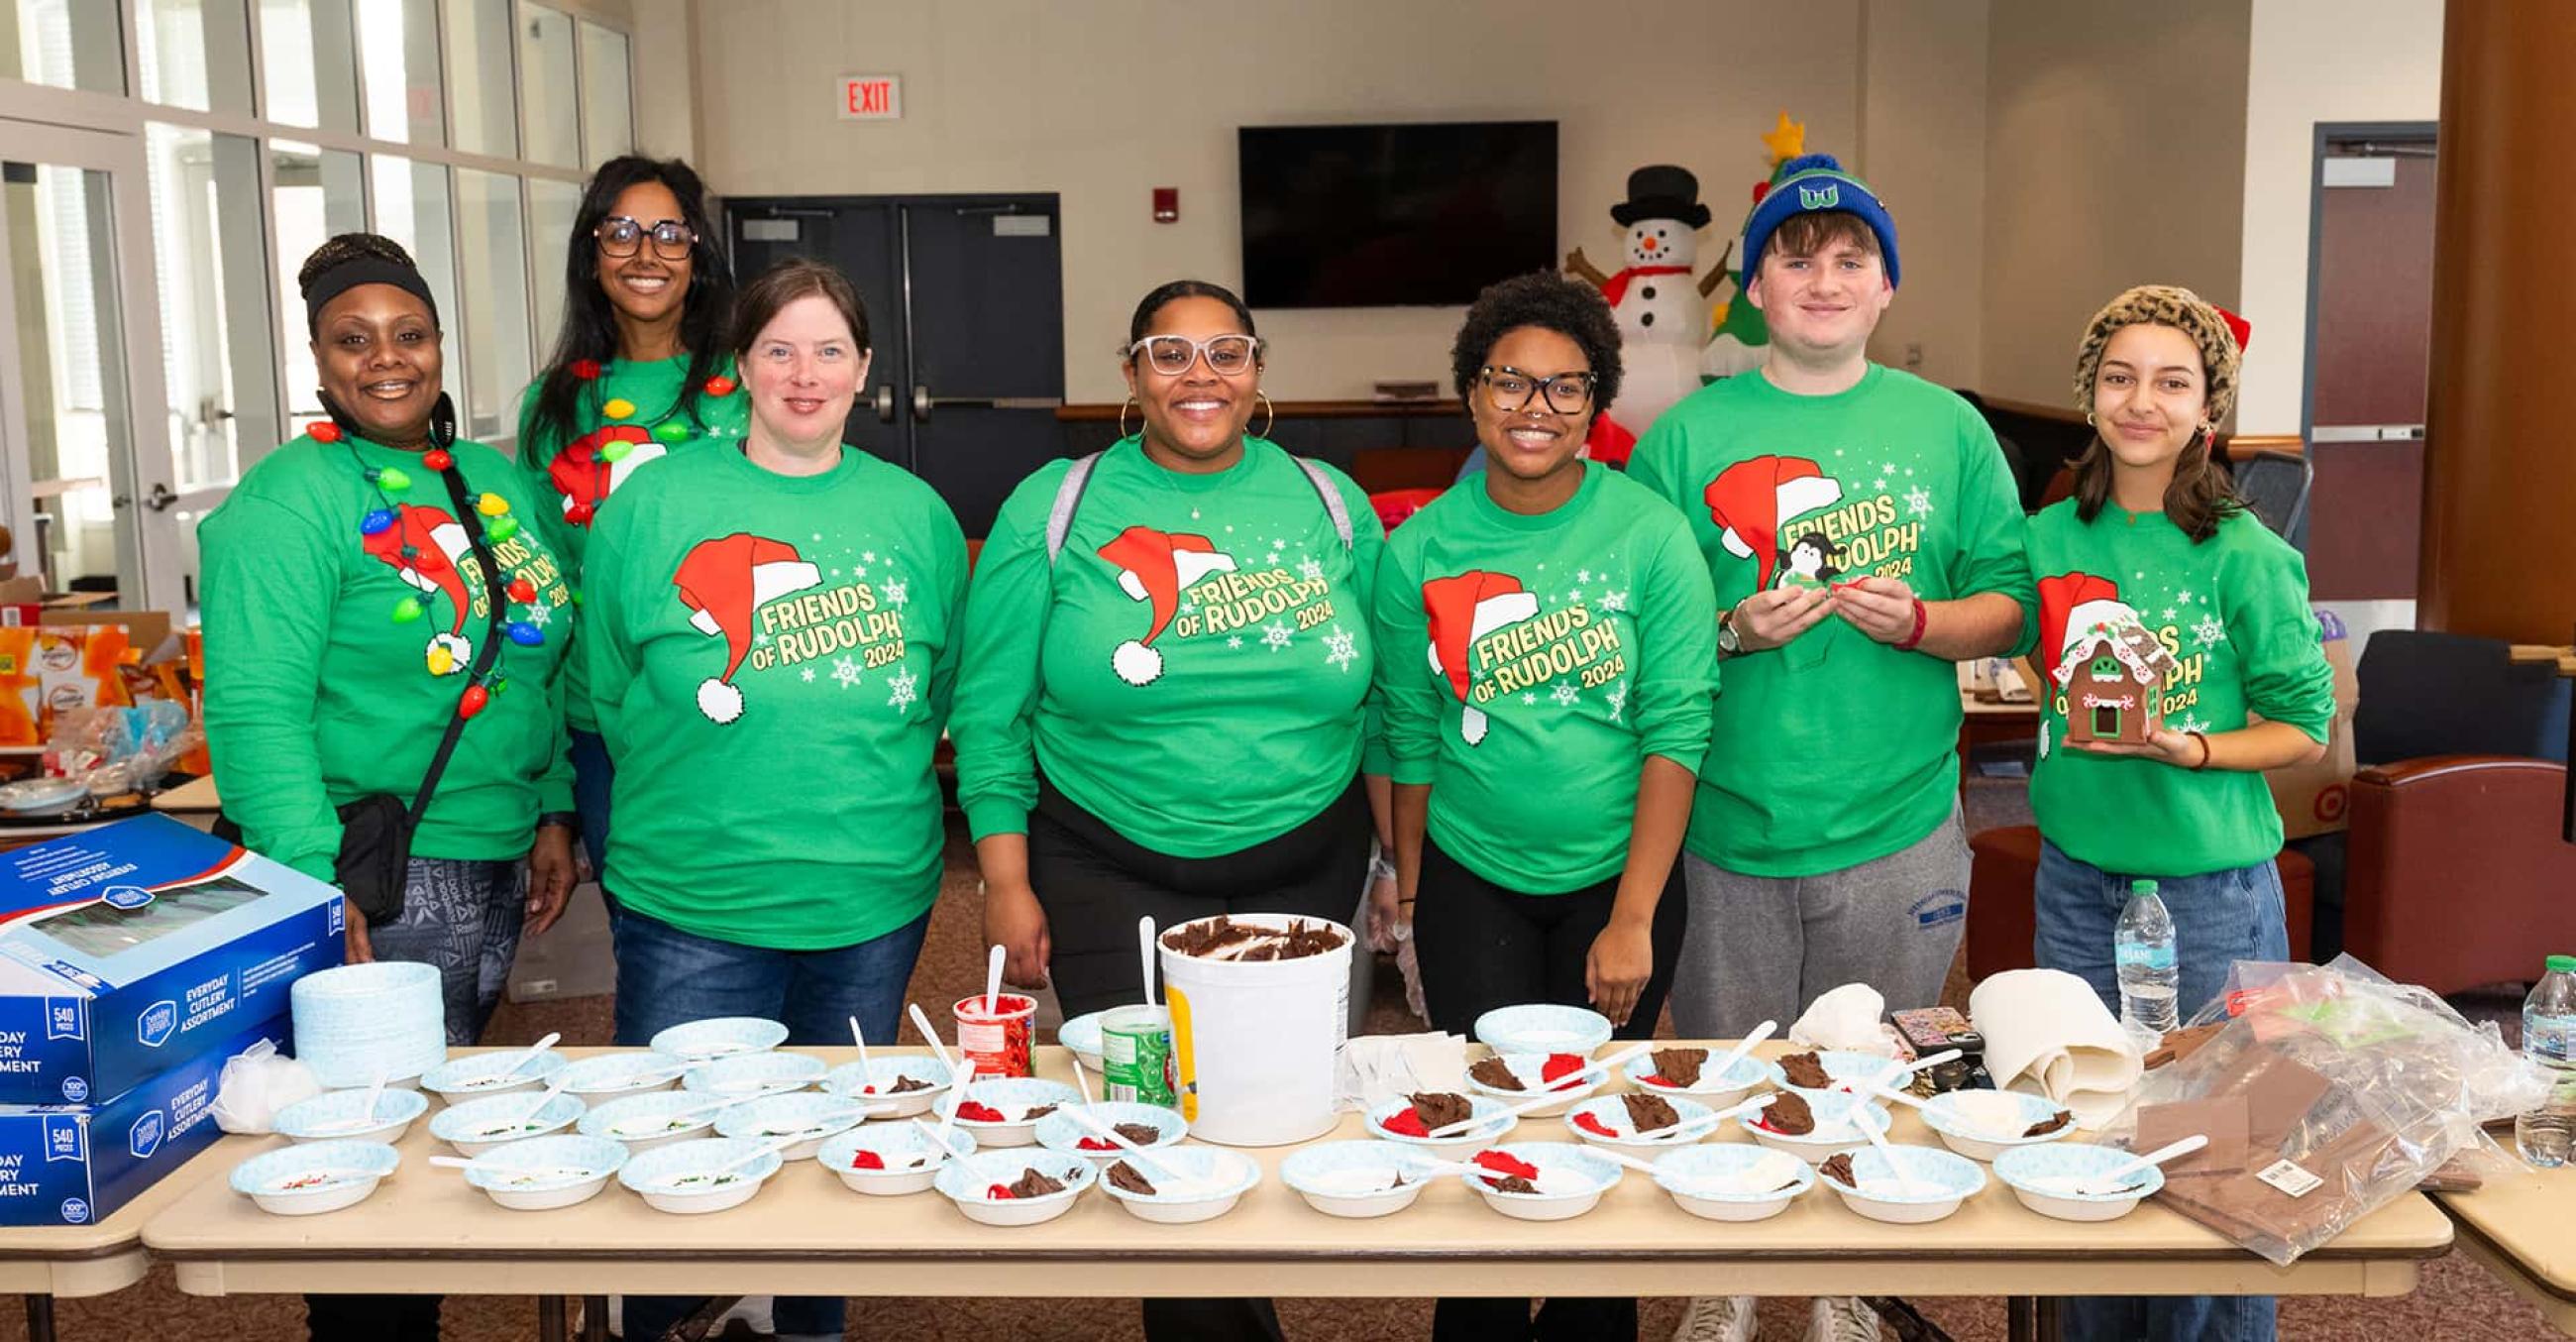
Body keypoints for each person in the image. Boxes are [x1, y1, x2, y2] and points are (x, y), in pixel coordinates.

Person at [1627, 155, 2034, 1342]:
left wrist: (1921, 625)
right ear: (1751, 286)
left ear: (1885, 286)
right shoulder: (1683, 435)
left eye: (1849, 257)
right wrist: (1726, 628)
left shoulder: (1946, 427)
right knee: (1728, 1075)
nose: (1821, 277)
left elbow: (2008, 601)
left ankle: (1849, 1282)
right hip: (1727, 822)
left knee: (1877, 1076)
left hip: (1897, 823)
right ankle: (1728, 1282)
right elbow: (1642, 632)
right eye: (1793, 257)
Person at [951, 280, 1388, 1342]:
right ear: (1130, 377)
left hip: (1306, 859)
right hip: (1109, 860)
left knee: (1278, 1111)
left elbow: (1386, 702)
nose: (1200, 375)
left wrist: (1393, 871)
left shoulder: (1330, 502)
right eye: (1169, 353)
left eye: (1225, 352)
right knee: (1156, 1130)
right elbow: (990, 707)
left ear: (1258, 373)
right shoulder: (1053, 506)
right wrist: (1004, 881)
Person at [200, 232, 579, 1342]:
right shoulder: (289, 500)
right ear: (317, 362)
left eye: (408, 334)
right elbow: (253, 711)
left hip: (492, 853)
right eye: (352, 340)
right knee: (372, 1149)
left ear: (440, 345)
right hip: (380, 871)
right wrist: (326, 888)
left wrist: (553, 805)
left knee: (429, 1123)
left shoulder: (493, 478)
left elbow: (530, 654)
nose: (387, 360)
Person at [580, 257, 965, 1342]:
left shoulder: (916, 516)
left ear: (865, 373)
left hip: (869, 898)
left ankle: (806, 1329)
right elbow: (605, 684)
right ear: (739, 366)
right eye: (780, 350)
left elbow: (934, 692)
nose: (805, 375)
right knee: (681, 1160)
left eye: (829, 351)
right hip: (692, 899)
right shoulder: (652, 504)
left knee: (839, 1151)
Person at [1375, 272, 1716, 1342]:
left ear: (1595, 403)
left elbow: (1675, 730)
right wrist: (1411, 886)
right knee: (1483, 1125)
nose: (1535, 408)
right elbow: (1406, 732)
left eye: (1565, 388)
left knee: (1593, 1129)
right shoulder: (1417, 544)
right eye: (1509, 382)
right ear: (1471, 394)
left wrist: (1628, 917)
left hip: (1620, 881)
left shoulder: (1649, 535)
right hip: (1470, 875)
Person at [2027, 286, 2330, 1342]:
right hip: (2072, 889)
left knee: (2212, 1169)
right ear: (2088, 395)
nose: (2138, 401)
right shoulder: (2044, 537)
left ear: (2206, 405)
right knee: (2087, 1146)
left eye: (2169, 381)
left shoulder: (2244, 552)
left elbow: (2304, 724)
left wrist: (2190, 746)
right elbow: (2033, 658)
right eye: (2117, 378)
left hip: (2207, 904)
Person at [517, 155, 744, 892]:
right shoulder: (550, 408)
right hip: (605, 727)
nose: (646, 254)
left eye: (669, 234)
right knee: (650, 933)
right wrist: (555, 803)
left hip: (739, 706)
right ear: (591, 254)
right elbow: (539, 603)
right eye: (621, 231)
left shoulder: (751, 389)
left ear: (698, 258)